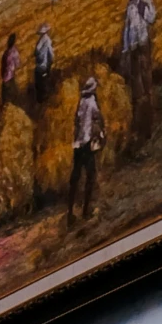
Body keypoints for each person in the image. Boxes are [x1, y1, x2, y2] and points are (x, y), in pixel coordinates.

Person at [121, 0, 156, 141]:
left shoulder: (144, 0)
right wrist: (126, 49)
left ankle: (150, 120)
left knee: (146, 77)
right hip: (134, 47)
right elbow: (127, 29)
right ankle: (140, 120)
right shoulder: (129, 6)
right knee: (137, 81)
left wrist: (143, 9)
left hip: (143, 43)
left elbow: (151, 18)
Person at [68, 76, 105, 227]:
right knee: (91, 176)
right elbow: (98, 119)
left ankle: (70, 213)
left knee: (75, 178)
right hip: (87, 144)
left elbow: (77, 122)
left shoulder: (81, 102)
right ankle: (85, 212)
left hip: (77, 144)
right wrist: (101, 133)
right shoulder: (91, 103)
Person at [34, 24, 55, 104]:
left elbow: (36, 53)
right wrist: (51, 62)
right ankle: (45, 102)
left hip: (38, 66)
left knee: (38, 85)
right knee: (44, 84)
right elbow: (51, 54)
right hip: (44, 66)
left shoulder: (39, 42)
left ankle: (39, 102)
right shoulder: (47, 40)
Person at [0, 32, 21, 100]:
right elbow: (17, 64)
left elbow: (3, 64)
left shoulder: (7, 52)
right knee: (13, 93)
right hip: (11, 75)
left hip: (6, 76)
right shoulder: (14, 51)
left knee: (5, 95)